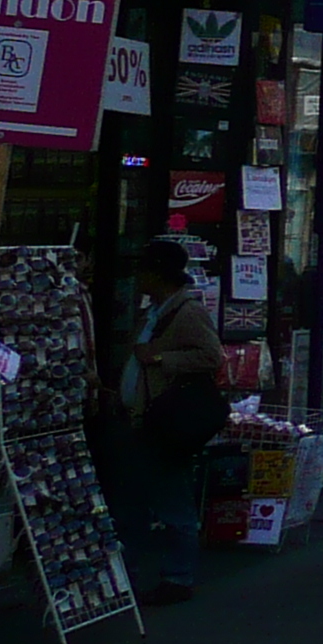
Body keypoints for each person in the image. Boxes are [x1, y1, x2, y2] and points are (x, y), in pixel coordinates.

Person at [114, 238, 224, 604]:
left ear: (156, 274)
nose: (136, 277)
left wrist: (160, 359)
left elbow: (211, 356)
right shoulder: (154, 311)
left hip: (165, 423)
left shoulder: (187, 312)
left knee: (172, 501)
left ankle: (178, 576)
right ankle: (128, 574)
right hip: (141, 420)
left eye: (142, 270)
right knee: (133, 501)